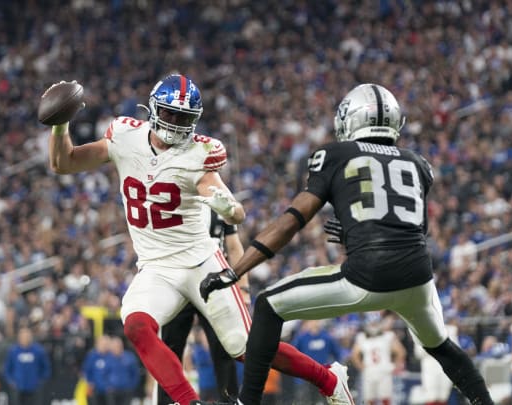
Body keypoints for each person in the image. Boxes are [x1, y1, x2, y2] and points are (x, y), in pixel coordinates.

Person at [45, 73, 353, 405]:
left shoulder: (199, 152)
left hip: (200, 263)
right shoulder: (125, 136)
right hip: (155, 268)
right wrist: (60, 126)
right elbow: (64, 162)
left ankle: (330, 379)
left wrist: (227, 205)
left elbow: (236, 213)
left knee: (245, 348)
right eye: (170, 114)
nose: (176, 123)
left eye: (184, 117)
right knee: (135, 324)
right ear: (152, 109)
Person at [199, 83, 493, 405]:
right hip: (418, 279)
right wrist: (359, 229)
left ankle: (247, 403)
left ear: (349, 120)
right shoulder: (418, 163)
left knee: (269, 303)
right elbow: (411, 226)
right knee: (441, 346)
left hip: (368, 275)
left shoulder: (335, 155)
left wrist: (235, 270)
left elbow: (292, 221)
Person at [157, 208, 248, 405]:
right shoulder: (176, 201)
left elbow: (233, 246)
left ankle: (229, 400)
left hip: (214, 281)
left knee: (224, 345)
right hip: (180, 281)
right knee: (170, 349)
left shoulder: (218, 205)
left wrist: (244, 288)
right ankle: (167, 402)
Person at [350, 314, 405, 405]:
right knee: (369, 399)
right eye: (372, 324)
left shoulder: (387, 336)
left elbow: (400, 352)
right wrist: (361, 366)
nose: (373, 326)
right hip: (369, 371)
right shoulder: (362, 337)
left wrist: (395, 366)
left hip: (384, 371)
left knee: (385, 398)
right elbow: (354, 354)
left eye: (375, 324)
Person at [3, 327, 51, 405]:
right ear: (19, 338)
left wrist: (40, 381)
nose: (25, 339)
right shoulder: (13, 351)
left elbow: (46, 368)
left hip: (34, 389)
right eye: (22, 336)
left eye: (27, 336)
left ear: (31, 337)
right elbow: (7, 368)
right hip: (18, 388)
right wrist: (11, 381)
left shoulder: (39, 351)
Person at [107, 336, 140, 405]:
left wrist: (131, 386)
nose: (117, 348)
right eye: (115, 346)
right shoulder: (107, 358)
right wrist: (107, 385)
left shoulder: (130, 357)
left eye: (119, 345)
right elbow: (103, 374)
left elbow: (135, 373)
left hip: (126, 390)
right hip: (112, 391)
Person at [82, 335, 112, 405]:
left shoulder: (111, 356)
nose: (105, 346)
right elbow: (86, 371)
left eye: (106, 344)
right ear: (97, 344)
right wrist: (90, 382)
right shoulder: (92, 356)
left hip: (109, 390)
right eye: (103, 344)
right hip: (95, 389)